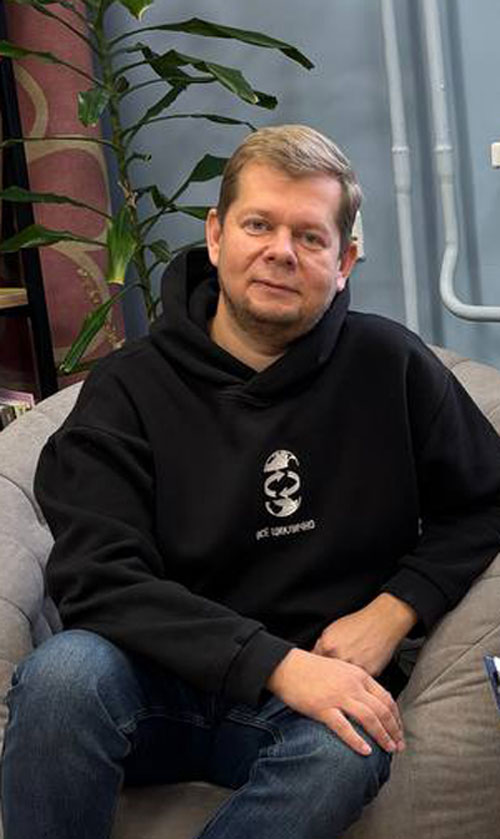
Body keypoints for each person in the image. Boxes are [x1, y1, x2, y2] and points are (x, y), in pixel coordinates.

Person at [2, 124, 500, 839]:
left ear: (344, 261)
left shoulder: (390, 366)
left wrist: (395, 609)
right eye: (258, 224)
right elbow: (97, 579)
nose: (280, 252)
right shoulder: (127, 389)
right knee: (62, 677)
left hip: (313, 698)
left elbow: (486, 500)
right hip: (152, 682)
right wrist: (274, 663)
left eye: (310, 236)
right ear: (216, 235)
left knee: (348, 747)